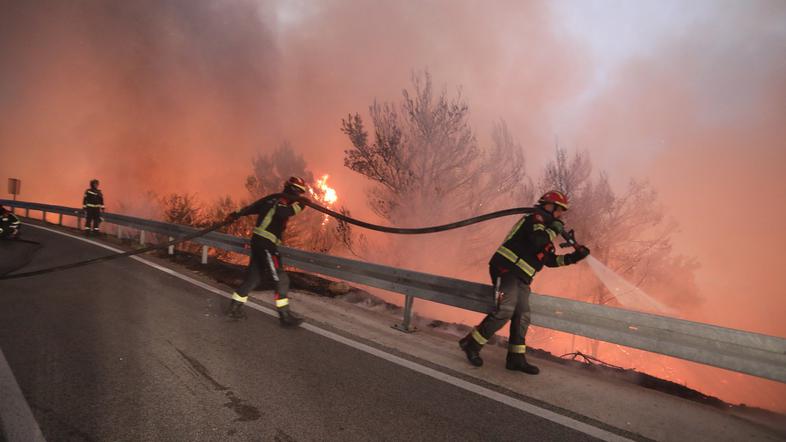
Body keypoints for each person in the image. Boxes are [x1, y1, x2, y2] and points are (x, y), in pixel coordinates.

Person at [459, 190, 590, 375]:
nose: (560, 215)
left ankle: (515, 358)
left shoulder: (546, 232)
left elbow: (550, 261)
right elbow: (538, 240)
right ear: (548, 206)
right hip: (506, 269)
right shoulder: (534, 220)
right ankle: (470, 344)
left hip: (522, 277)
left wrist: (574, 257)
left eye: (562, 212)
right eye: (559, 210)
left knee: (522, 315)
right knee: (505, 309)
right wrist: (554, 228)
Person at [226, 176, 308, 326]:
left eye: (300, 192)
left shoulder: (271, 200)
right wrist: (301, 205)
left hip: (258, 242)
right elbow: (283, 213)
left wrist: (235, 214)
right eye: (297, 191)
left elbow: (250, 208)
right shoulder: (281, 201)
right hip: (266, 244)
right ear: (291, 189)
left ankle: (234, 307)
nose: (298, 194)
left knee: (253, 279)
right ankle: (285, 316)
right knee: (281, 278)